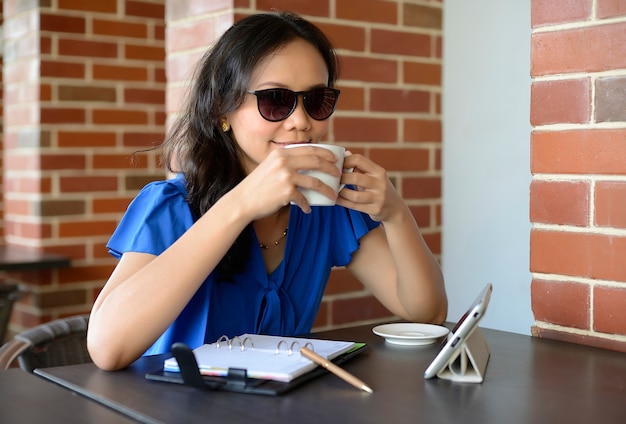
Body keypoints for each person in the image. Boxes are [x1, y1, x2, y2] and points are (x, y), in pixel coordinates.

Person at [87, 11, 447, 371]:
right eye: (275, 100)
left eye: (317, 100)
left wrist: (396, 214)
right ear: (221, 110)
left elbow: (427, 314)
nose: (301, 121)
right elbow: (107, 348)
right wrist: (241, 205)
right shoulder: (173, 204)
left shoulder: (326, 203)